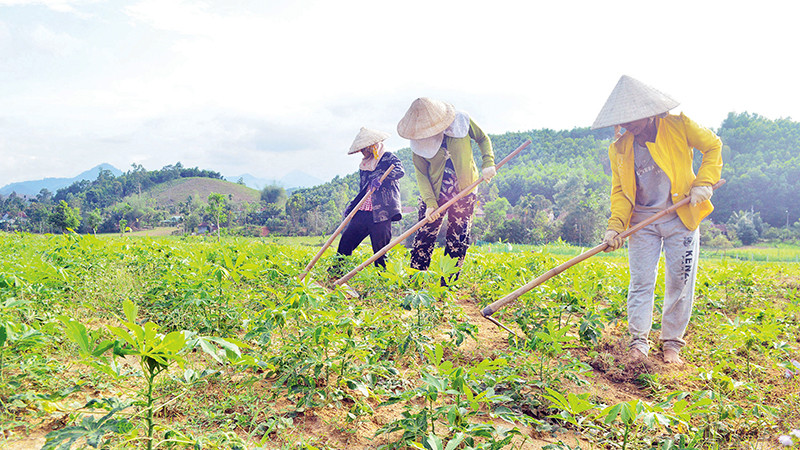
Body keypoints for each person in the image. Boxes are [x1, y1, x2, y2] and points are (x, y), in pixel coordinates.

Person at [591, 75, 723, 364]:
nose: (630, 126)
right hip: (643, 221)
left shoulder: (679, 126)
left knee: (680, 281)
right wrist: (615, 227)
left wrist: (704, 182)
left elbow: (713, 146)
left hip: (681, 214)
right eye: (624, 121)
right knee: (640, 282)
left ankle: (672, 343)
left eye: (634, 119)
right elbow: (621, 193)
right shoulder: (620, 148)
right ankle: (638, 343)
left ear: (650, 112)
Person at [397, 97, 496, 282]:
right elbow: (421, 174)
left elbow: (483, 138)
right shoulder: (418, 142)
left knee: (457, 240)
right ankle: (416, 282)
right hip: (433, 195)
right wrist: (430, 203)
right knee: (423, 238)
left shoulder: (461, 120)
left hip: (465, 191)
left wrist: (488, 162)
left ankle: (447, 285)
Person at [336, 127, 405, 269]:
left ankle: (382, 280)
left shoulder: (388, 157)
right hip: (363, 211)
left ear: (372, 146)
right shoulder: (364, 165)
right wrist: (352, 207)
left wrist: (382, 177)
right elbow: (363, 190)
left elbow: (400, 171)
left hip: (381, 212)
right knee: (346, 241)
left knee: (380, 251)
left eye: (364, 149)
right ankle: (337, 271)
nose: (362, 152)